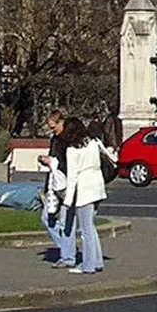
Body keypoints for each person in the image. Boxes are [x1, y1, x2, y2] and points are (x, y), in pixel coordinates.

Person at [58, 114, 113, 276]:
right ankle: (97, 261)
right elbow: (109, 157)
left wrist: (68, 201)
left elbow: (73, 176)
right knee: (91, 226)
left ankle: (88, 265)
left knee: (86, 229)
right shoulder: (94, 142)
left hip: (84, 189)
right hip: (97, 185)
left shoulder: (72, 150)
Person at [39, 111, 74, 268]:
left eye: (54, 127)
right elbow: (53, 167)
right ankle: (66, 248)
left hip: (66, 184)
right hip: (54, 184)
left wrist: (53, 163)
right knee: (47, 218)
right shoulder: (55, 140)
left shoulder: (70, 141)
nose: (53, 130)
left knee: (67, 221)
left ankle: (68, 254)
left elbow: (68, 165)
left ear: (62, 122)